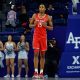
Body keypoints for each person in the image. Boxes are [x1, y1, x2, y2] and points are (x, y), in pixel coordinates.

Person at [29, 4, 53, 78]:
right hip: (36, 37)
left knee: (42, 55)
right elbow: (30, 25)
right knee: (36, 54)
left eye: (42, 7)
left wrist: (46, 26)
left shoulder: (48, 17)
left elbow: (51, 28)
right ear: (38, 8)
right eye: (40, 7)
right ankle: (36, 72)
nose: (41, 8)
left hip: (43, 37)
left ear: (45, 9)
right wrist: (34, 25)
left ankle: (41, 73)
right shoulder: (34, 15)